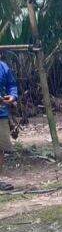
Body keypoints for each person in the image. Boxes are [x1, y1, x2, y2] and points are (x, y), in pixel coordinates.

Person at [0, 58, 18, 191]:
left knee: (0, 148)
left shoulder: (3, 67)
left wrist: (13, 96)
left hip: (1, 113)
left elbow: (12, 85)